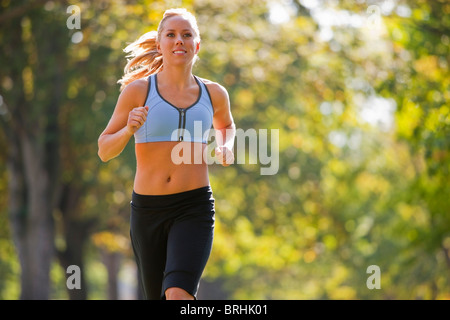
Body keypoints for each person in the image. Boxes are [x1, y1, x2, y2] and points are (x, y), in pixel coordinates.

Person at [97, 8, 236, 300]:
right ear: (160, 44)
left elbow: (226, 125)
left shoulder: (214, 94)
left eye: (187, 35)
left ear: (197, 45)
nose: (179, 41)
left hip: (194, 207)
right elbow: (104, 150)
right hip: (148, 211)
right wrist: (128, 130)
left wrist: (226, 144)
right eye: (171, 35)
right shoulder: (138, 91)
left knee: (177, 295)